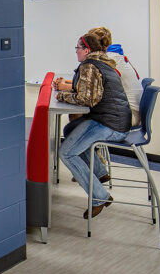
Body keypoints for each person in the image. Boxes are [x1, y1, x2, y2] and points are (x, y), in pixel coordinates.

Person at [56, 32, 132, 218]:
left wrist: (61, 95)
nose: (76, 52)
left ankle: (100, 197)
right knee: (71, 129)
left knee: (66, 152)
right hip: (117, 120)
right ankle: (99, 172)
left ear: (86, 50)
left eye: (78, 49)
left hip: (110, 125)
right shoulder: (103, 62)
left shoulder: (89, 66)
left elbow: (86, 99)